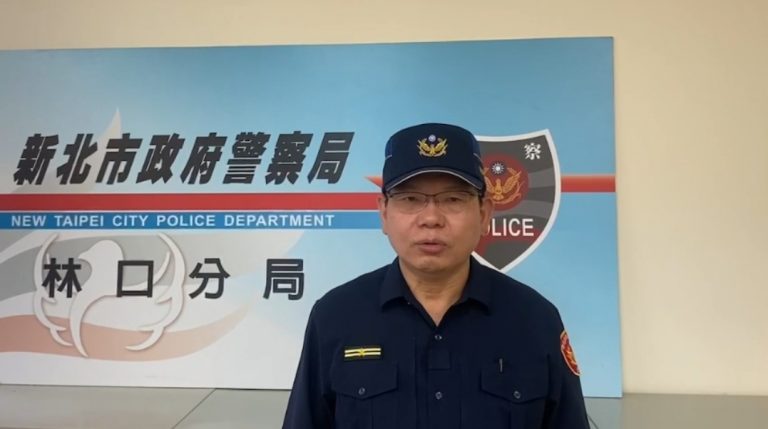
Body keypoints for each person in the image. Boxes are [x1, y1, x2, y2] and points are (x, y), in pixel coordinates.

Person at [282, 123, 590, 428]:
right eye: (410, 199)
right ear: (384, 212)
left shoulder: (536, 320)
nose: (431, 218)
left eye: (453, 199)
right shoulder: (336, 316)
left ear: (484, 213)